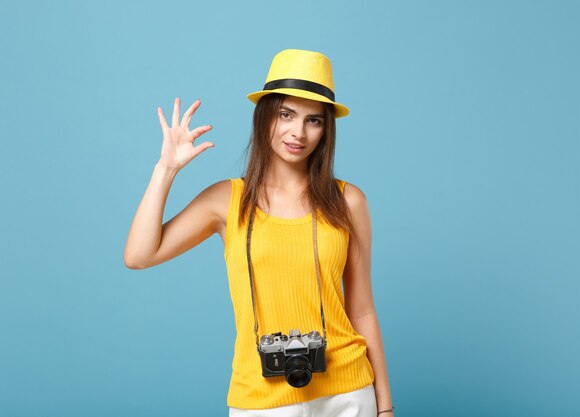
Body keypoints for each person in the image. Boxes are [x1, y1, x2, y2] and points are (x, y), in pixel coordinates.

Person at [124, 49, 394, 417]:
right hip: (261, 397)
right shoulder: (226, 200)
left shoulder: (349, 201)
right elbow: (139, 256)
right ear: (264, 115)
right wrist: (165, 169)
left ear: (326, 129)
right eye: (286, 114)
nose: (297, 132)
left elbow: (361, 311)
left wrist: (384, 407)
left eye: (313, 120)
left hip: (347, 392)